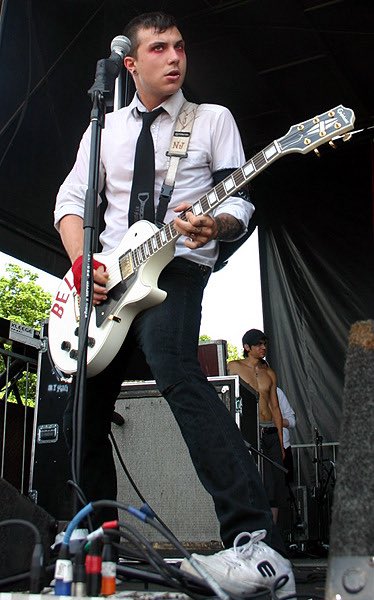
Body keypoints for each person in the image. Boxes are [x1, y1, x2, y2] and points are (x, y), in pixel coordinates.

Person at [54, 12, 295, 598]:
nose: (174, 56)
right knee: (81, 410)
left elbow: (242, 202)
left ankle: (255, 542)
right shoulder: (102, 129)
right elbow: (70, 201)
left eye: (180, 46)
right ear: (130, 64)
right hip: (108, 281)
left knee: (176, 367)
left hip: (178, 266)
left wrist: (214, 223)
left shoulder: (211, 120)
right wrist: (84, 262)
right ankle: (97, 550)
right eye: (159, 48)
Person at [227, 329, 287, 523]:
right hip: (248, 431)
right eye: (259, 344)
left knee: (275, 484)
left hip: (269, 430)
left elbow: (276, 407)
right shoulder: (234, 366)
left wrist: (280, 440)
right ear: (247, 347)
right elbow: (224, 394)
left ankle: (272, 535)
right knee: (252, 480)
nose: (263, 348)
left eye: (265, 344)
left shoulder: (269, 372)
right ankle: (252, 530)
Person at [277, 386, 296, 485]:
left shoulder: (277, 392)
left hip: (284, 447)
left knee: (287, 486)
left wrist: (275, 421)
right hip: (263, 447)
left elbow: (292, 421)